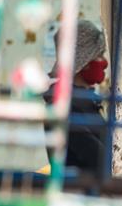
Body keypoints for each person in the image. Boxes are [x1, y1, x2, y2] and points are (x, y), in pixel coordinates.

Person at [45, 19, 109, 176]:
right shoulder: (63, 103)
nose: (104, 62)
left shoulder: (85, 98)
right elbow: (99, 158)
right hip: (79, 192)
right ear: (84, 63)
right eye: (99, 55)